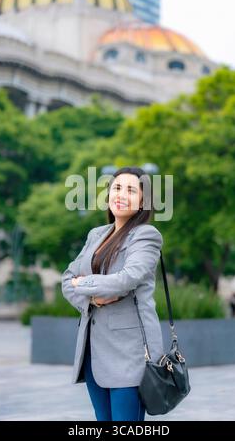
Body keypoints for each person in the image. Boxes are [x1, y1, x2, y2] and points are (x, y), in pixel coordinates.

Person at [62, 166, 164, 421]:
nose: (121, 194)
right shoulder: (96, 234)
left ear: (143, 200)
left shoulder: (146, 236)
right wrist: (92, 297)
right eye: (117, 188)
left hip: (130, 353)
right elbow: (66, 279)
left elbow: (126, 280)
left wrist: (82, 284)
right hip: (92, 351)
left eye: (131, 190)